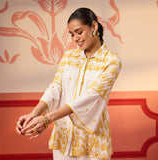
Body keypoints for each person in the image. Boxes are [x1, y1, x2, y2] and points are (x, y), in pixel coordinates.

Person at [16, 7, 121, 160]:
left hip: (91, 137)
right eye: (72, 34)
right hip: (63, 134)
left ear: (94, 26)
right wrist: (34, 114)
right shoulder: (69, 57)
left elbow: (91, 96)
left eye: (79, 32)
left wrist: (47, 119)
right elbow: (56, 87)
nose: (75, 38)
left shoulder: (111, 62)